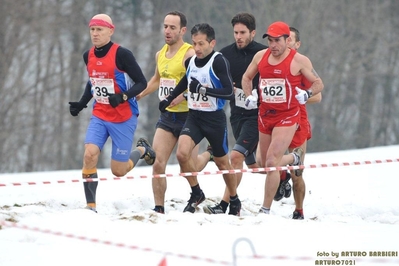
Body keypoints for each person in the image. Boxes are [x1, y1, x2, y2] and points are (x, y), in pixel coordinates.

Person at [68, 14, 155, 213]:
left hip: (123, 117)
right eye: (92, 29)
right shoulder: (87, 55)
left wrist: (123, 97)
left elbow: (141, 82)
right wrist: (82, 103)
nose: (95, 34)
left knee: (119, 171)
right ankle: (91, 206)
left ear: (110, 30)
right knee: (90, 154)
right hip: (100, 114)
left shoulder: (122, 54)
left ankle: (142, 150)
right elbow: (94, 81)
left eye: (100, 29)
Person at [159, 23, 241, 215]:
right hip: (194, 116)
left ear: (212, 43)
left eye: (201, 44)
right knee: (182, 154)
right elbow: (185, 82)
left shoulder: (219, 61)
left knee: (223, 163)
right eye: (195, 44)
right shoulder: (191, 62)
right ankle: (196, 192)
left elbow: (229, 92)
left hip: (214, 120)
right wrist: (169, 99)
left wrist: (203, 90)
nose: (197, 48)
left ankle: (234, 199)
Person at [242, 21, 323, 216]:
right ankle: (293, 158)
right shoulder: (260, 56)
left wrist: (307, 93)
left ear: (288, 41)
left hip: (288, 117)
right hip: (265, 115)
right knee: (262, 163)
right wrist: (249, 96)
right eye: (270, 40)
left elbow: (319, 83)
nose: (273, 45)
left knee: (271, 161)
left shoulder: (299, 60)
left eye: (277, 41)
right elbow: (246, 78)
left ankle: (265, 209)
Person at [136, 11, 212, 214]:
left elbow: (200, 82)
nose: (167, 31)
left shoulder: (189, 54)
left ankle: (209, 154)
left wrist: (184, 96)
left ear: (183, 30)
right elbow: (157, 79)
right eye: (165, 26)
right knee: (158, 164)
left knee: (189, 166)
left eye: (172, 27)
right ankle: (159, 208)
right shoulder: (160, 54)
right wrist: (140, 94)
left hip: (190, 116)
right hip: (168, 117)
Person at [202, 13, 268, 214]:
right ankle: (281, 176)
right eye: (235, 32)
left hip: (257, 115)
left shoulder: (263, 53)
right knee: (255, 164)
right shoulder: (224, 55)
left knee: (236, 156)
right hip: (236, 113)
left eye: (242, 32)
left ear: (253, 33)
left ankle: (228, 204)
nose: (238, 36)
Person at [273, 26, 322, 219]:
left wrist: (296, 97)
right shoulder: (271, 60)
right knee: (266, 161)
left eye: (289, 39)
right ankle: (281, 176)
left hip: (298, 120)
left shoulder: (302, 63)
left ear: (296, 43)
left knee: (298, 171)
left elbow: (318, 97)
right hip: (274, 118)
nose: (285, 42)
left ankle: (299, 209)